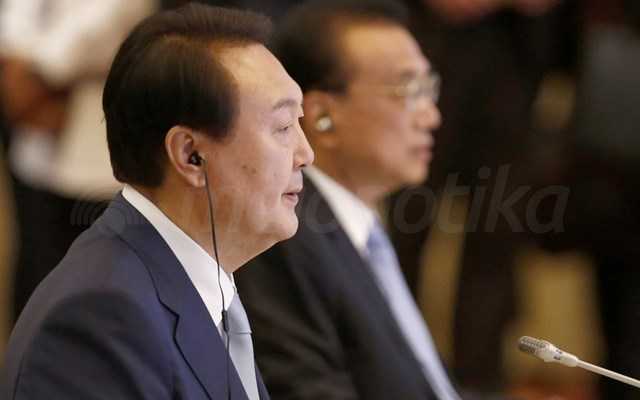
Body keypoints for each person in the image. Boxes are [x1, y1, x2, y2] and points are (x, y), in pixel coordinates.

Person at [1, 3, 313, 400]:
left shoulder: (196, 279)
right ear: (190, 155)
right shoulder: (102, 317)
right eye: (283, 127)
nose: (305, 154)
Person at [235, 1, 463, 399]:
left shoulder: (362, 230)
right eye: (409, 90)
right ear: (322, 116)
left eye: (429, 88)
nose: (431, 117)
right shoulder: (284, 238)